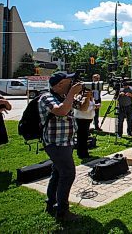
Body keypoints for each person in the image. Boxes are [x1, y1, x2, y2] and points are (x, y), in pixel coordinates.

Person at [38, 72, 83, 221]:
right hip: (56, 143)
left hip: (66, 142)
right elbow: (62, 111)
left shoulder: (64, 97)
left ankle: (51, 202)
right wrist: (71, 93)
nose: (71, 83)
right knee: (68, 174)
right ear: (58, 85)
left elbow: (81, 108)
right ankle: (62, 211)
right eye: (68, 81)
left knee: (57, 173)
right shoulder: (46, 97)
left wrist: (87, 95)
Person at [73, 89, 97, 159]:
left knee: (84, 137)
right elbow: (85, 109)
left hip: (87, 120)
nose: (91, 92)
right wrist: (95, 106)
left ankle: (83, 152)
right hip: (82, 120)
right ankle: (82, 154)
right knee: (82, 137)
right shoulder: (81, 97)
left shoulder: (89, 98)